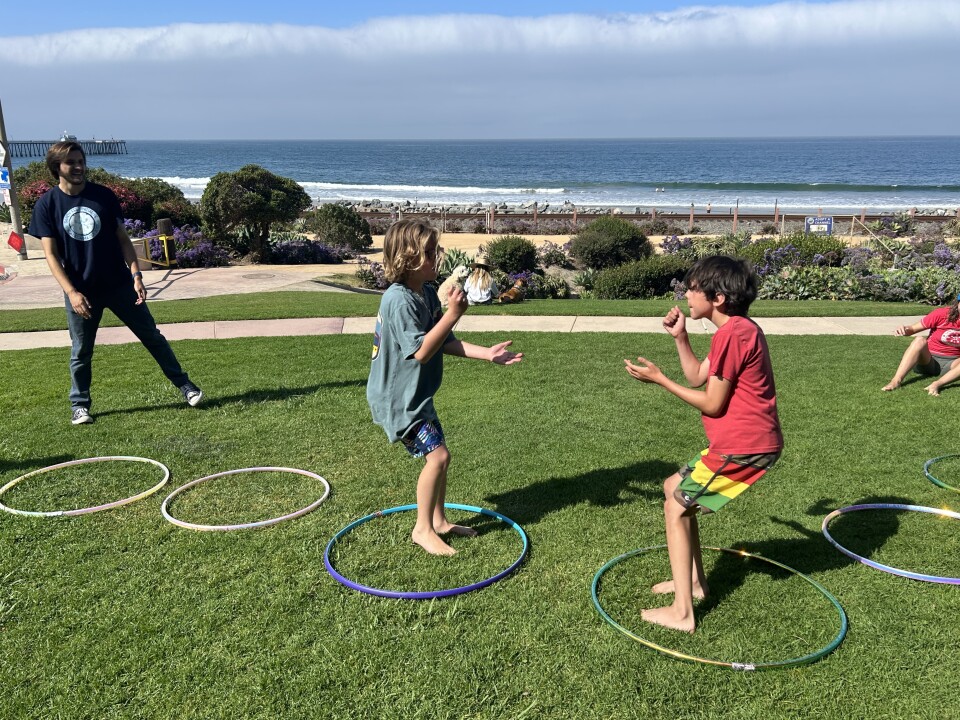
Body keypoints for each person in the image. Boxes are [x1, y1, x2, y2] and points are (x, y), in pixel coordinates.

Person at [623, 255, 783, 633]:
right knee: (672, 488)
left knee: (677, 509)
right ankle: (694, 584)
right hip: (736, 442)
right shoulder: (736, 330)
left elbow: (712, 402)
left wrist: (661, 380)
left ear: (718, 298)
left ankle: (682, 613)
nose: (686, 296)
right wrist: (680, 338)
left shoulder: (734, 334)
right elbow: (698, 376)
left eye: (693, 289)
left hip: (744, 446)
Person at [367, 219, 523, 556]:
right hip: (398, 401)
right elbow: (422, 351)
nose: (437, 256)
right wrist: (453, 313)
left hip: (417, 396)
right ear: (406, 258)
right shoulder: (399, 301)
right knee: (438, 457)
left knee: (440, 457)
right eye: (428, 252)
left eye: (435, 250)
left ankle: (438, 521)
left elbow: (444, 341)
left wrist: (488, 354)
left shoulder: (424, 293)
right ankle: (422, 529)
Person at [28, 141, 203, 425]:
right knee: (81, 351)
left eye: (81, 160)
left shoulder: (103, 196)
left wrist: (136, 275)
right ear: (56, 168)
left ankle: (186, 386)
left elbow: (123, 240)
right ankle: (80, 405)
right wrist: (71, 292)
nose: (78, 167)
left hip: (120, 285)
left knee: (152, 338)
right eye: (71, 162)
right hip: (81, 292)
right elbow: (50, 255)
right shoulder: (47, 205)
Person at [881, 295, 960, 396]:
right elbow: (912, 329)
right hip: (928, 360)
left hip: (953, 365)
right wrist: (904, 329)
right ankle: (896, 381)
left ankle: (937, 384)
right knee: (919, 340)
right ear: (957, 303)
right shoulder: (942, 314)